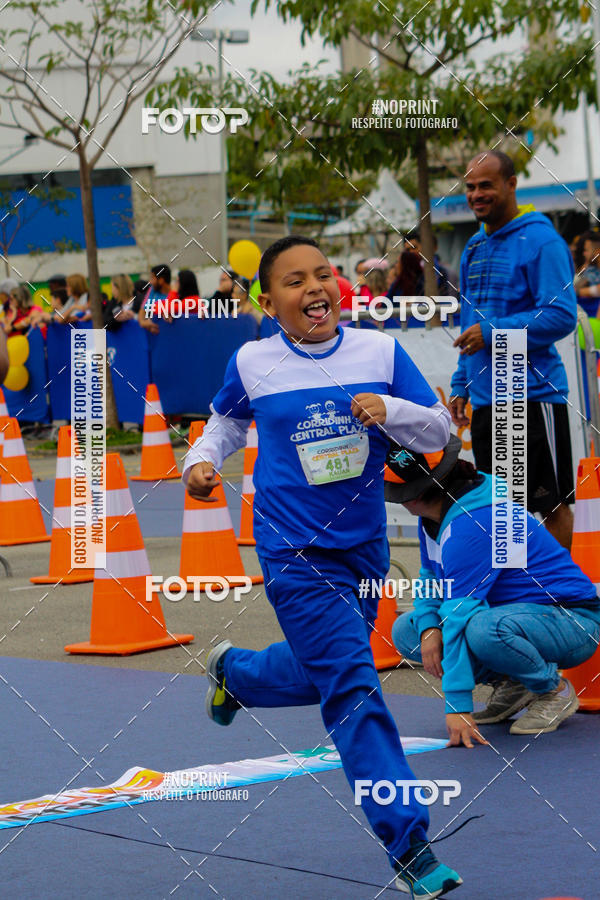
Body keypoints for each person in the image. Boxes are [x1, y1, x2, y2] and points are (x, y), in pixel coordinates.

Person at [183, 235, 462, 898]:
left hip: (363, 547)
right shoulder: (253, 360)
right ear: (268, 301)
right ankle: (409, 844)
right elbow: (224, 423)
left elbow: (438, 432)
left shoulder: (379, 351)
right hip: (292, 549)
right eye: (294, 281)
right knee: (351, 683)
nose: (314, 288)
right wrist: (201, 460)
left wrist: (391, 410)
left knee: (327, 669)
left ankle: (237, 674)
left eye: (323, 274)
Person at [386, 436, 600, 743]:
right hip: (517, 618)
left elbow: (459, 615)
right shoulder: (435, 517)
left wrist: (457, 706)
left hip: (573, 621)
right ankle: (515, 684)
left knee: (482, 628)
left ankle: (554, 690)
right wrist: (429, 628)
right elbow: (430, 577)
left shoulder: (472, 524)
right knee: (409, 630)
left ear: (412, 497)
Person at [449, 150, 578, 549]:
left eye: (485, 185)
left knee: (551, 506)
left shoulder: (542, 240)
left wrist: (492, 332)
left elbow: (561, 315)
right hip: (488, 401)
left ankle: (562, 586)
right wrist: (460, 383)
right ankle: (518, 584)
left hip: (531, 397)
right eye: (470, 187)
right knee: (502, 509)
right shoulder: (473, 246)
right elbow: (470, 324)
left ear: (511, 184)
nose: (476, 194)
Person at [138, 264, 171, 334]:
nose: (150, 282)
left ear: (161, 280)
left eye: (152, 278)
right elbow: (143, 311)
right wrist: (144, 323)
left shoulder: (175, 294)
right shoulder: (152, 290)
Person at [573, 231, 600, 318]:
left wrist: (578, 291)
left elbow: (574, 288)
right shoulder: (590, 269)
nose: (584, 253)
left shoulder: (592, 271)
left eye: (586, 250)